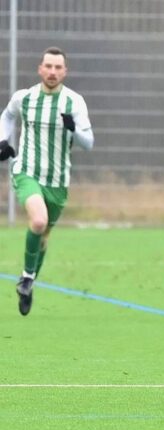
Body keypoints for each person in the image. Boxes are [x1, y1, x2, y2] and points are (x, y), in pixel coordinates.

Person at [0, 47, 94, 316]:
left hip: (58, 181)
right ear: (40, 69)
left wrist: (74, 129)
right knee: (38, 221)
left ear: (65, 72)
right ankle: (27, 278)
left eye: (57, 67)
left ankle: (28, 281)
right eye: (48, 66)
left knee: (44, 235)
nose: (52, 72)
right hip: (27, 171)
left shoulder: (74, 102)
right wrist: (3, 141)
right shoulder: (25, 98)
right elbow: (7, 116)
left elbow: (88, 143)